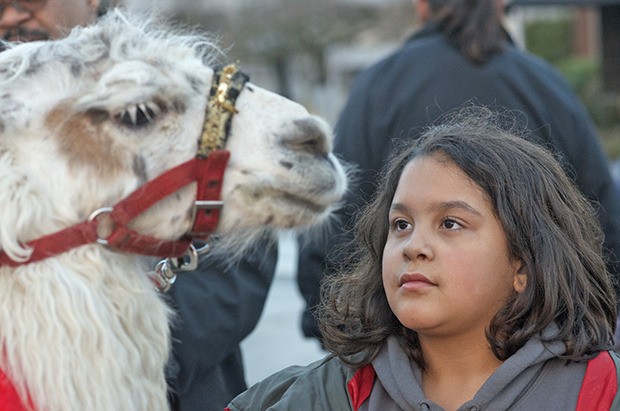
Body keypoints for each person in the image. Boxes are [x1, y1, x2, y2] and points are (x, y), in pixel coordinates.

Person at [227, 107, 619, 411]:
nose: (414, 246)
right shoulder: (326, 395)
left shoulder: (600, 391)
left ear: (523, 263)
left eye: (450, 223)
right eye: (400, 224)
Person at [0, 2, 279, 410]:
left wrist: (118, 339)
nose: (11, 17)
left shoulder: (177, 88)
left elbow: (236, 270)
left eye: (29, 1)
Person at [297, 0, 620, 342]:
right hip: (537, 345)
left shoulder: (379, 87)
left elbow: (330, 225)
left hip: (401, 353)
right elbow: (602, 228)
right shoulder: (545, 86)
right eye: (402, 225)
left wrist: (348, 344)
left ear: (421, 5)